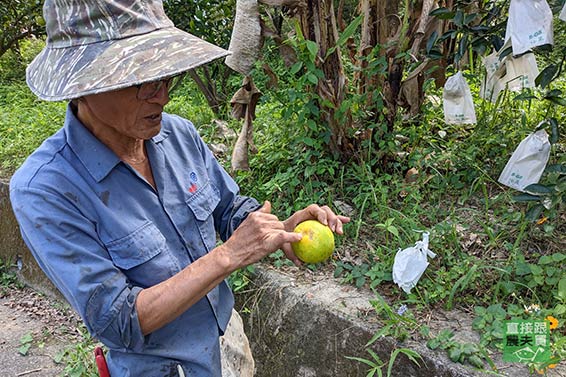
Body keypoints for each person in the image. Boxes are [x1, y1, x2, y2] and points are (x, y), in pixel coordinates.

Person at [9, 1, 350, 376]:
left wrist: (280, 229)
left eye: (166, 76)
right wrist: (228, 256)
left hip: (226, 340)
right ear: (83, 85)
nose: (162, 96)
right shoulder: (46, 189)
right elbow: (118, 321)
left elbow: (227, 210)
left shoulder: (177, 134)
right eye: (141, 79)